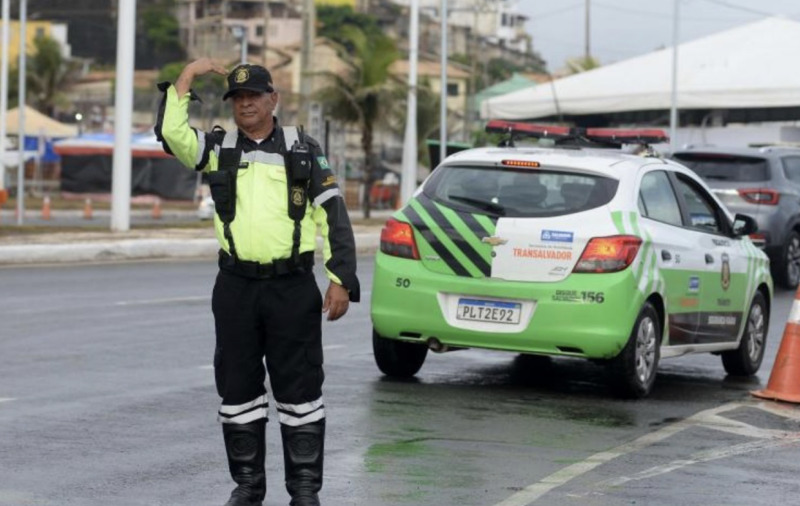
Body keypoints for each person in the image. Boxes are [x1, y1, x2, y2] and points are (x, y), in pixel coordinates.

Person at [155, 58, 360, 506]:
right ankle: (248, 487)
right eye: (238, 98)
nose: (245, 104)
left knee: (300, 390)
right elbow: (173, 134)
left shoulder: (302, 149)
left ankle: (304, 491)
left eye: (254, 96)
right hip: (235, 289)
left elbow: (334, 217)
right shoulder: (216, 148)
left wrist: (340, 279)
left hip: (291, 288)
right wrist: (188, 75)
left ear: (273, 99)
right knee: (238, 388)